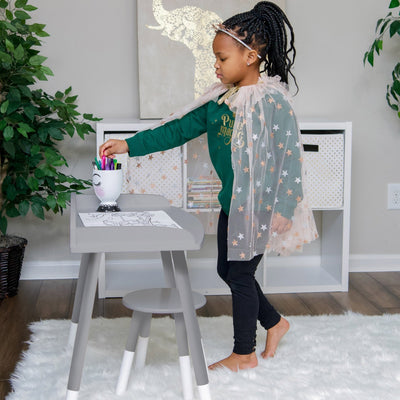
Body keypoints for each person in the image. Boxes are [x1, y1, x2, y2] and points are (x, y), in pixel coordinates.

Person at [99, 1, 318, 372]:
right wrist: (128, 145)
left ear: (250, 56)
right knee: (227, 271)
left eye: (221, 58)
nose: (215, 65)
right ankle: (275, 323)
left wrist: (283, 208)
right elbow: (177, 130)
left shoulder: (272, 102)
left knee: (241, 274)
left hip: (261, 206)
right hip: (233, 203)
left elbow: (291, 159)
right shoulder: (219, 101)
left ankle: (244, 353)